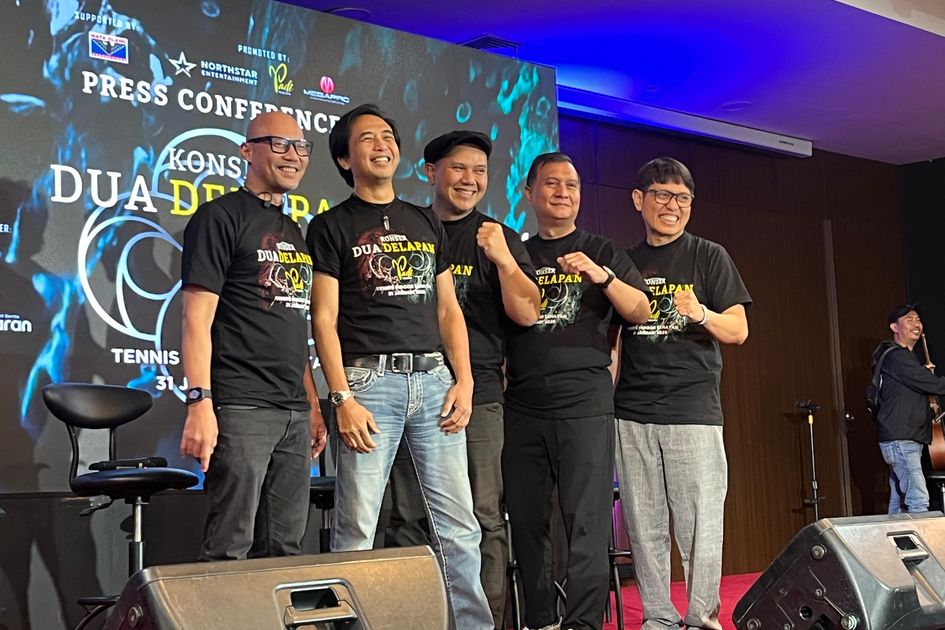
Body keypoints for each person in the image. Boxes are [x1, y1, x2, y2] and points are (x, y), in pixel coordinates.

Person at [306, 105, 492, 628]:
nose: (382, 144)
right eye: (367, 138)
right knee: (357, 527)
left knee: (460, 527)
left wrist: (465, 380)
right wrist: (341, 398)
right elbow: (323, 319)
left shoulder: (424, 220)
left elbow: (448, 310)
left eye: (387, 136)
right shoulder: (330, 225)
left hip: (435, 381)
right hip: (368, 384)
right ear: (345, 159)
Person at [385, 130, 540, 628]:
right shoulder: (407, 229)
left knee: (483, 515)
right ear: (431, 172)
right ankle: (415, 620)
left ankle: (482, 620)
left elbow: (529, 313)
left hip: (482, 395)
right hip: (411, 390)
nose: (469, 179)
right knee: (409, 515)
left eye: (479, 171)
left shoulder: (498, 236)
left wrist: (504, 259)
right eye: (458, 168)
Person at [503, 152, 650, 630]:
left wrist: (602, 276)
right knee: (528, 522)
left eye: (571, 184)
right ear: (529, 192)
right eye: (551, 183)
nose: (562, 192)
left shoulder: (601, 250)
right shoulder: (518, 254)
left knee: (587, 523)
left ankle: (583, 624)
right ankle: (541, 620)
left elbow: (641, 311)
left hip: (585, 404)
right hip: (522, 405)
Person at [179, 111, 327, 561]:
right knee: (229, 547)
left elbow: (293, 324)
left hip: (293, 412)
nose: (293, 155)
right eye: (279, 144)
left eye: (301, 147)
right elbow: (195, 320)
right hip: (242, 406)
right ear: (247, 151)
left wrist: (312, 404)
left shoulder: (293, 229)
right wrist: (199, 403)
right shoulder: (219, 217)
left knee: (285, 549)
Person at [613, 157, 750, 630]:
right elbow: (613, 343)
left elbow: (739, 330)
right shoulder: (625, 262)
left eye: (682, 198)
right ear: (639, 200)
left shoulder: (709, 256)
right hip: (631, 411)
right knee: (643, 526)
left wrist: (702, 313)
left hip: (692, 410)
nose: (672, 205)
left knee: (699, 526)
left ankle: (702, 617)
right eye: (662, 195)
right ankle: (657, 617)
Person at [872, 304, 945, 514]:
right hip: (901, 438)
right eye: (910, 319)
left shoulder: (904, 359)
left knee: (899, 503)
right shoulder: (897, 357)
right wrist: (926, 378)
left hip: (903, 438)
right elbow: (933, 384)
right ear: (894, 327)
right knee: (917, 499)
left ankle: (896, 536)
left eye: (918, 319)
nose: (917, 324)